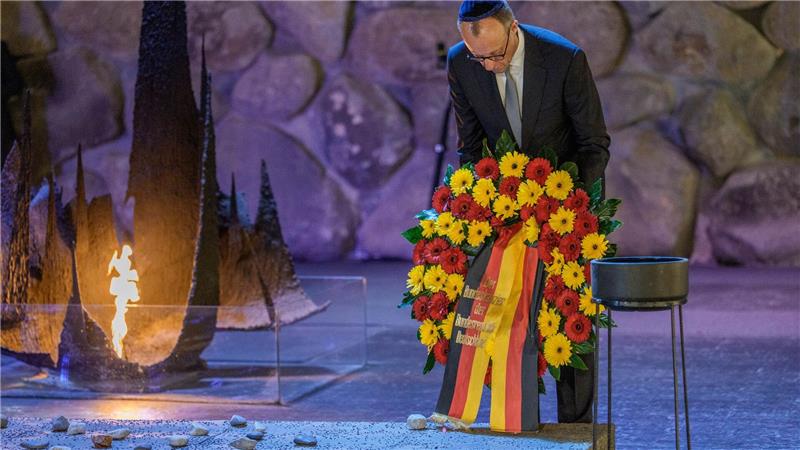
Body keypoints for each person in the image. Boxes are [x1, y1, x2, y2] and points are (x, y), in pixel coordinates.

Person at [448, 1, 611, 423]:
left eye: (496, 56)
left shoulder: (564, 59)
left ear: (513, 29)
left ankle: (576, 427)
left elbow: (593, 143)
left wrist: (577, 213)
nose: (488, 66)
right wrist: (478, 208)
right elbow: (470, 144)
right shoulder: (461, 63)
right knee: (508, 318)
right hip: (504, 214)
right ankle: (515, 420)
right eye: (478, 57)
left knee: (570, 323)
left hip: (563, 211)